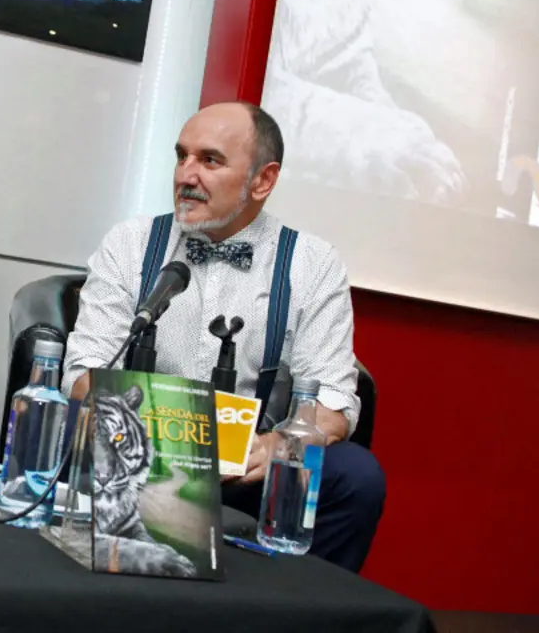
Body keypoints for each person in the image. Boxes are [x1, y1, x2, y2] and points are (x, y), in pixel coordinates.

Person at [62, 101, 386, 573]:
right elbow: (83, 372)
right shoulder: (130, 244)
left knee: (356, 478)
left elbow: (334, 400)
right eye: (182, 156)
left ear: (263, 180)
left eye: (209, 160)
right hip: (140, 451)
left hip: (250, 467)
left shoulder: (312, 263)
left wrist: (276, 446)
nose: (185, 176)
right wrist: (161, 437)